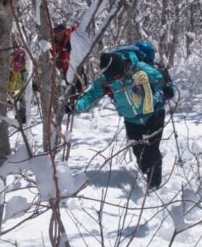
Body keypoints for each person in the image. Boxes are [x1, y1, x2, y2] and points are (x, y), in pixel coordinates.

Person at [69, 49, 169, 190]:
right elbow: (92, 95)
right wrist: (76, 106)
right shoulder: (106, 80)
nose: (118, 80)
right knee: (139, 154)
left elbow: (159, 79)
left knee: (151, 152)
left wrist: (161, 88)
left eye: (120, 76)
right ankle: (147, 173)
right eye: (114, 78)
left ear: (123, 67)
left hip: (154, 114)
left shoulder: (139, 67)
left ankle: (154, 186)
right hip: (131, 120)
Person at [8, 47, 28, 124]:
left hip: (17, 95)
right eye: (17, 61)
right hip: (10, 96)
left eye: (22, 61)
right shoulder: (8, 71)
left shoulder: (23, 71)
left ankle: (23, 117)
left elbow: (24, 83)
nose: (19, 63)